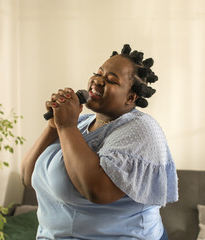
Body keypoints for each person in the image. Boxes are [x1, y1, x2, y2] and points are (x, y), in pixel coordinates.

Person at [21, 44, 178, 240]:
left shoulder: (142, 130)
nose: (97, 80)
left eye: (111, 80)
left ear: (130, 97)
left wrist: (66, 127)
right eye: (98, 73)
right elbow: (27, 178)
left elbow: (98, 191)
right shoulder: (79, 122)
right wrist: (53, 127)